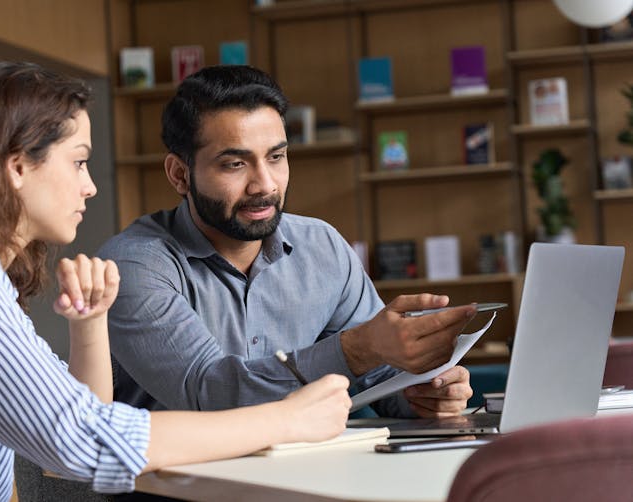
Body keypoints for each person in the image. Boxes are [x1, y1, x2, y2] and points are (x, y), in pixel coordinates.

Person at [0, 62, 352, 501]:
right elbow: (85, 442)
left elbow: (79, 430)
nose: (90, 186)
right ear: (18, 166)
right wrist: (286, 419)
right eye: (78, 161)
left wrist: (89, 325)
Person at [99, 65, 476, 418]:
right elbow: (209, 393)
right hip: (176, 485)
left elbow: (377, 379)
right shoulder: (134, 265)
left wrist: (426, 391)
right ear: (180, 175)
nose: (265, 184)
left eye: (276, 157)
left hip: (307, 475)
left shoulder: (322, 247)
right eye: (235, 164)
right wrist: (358, 348)